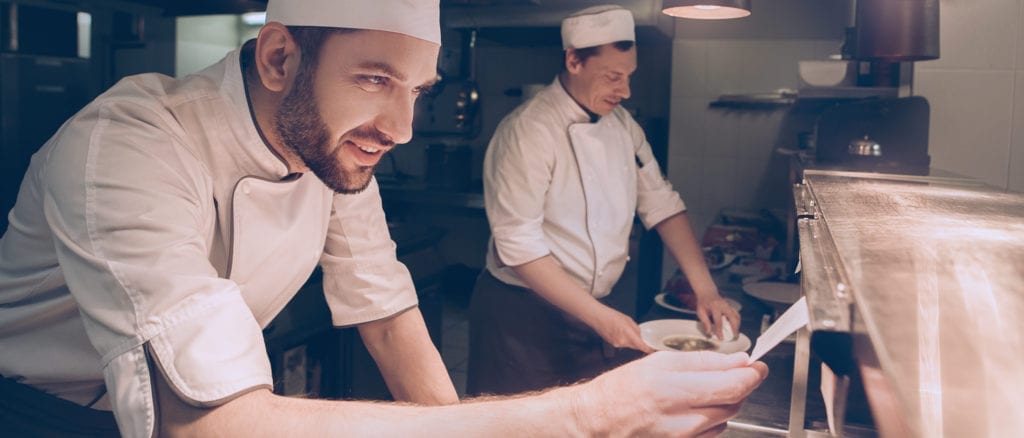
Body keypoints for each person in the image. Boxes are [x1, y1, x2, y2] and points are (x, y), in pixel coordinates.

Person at [0, 1, 766, 436]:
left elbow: (388, 311)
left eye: (418, 91)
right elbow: (215, 423)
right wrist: (588, 415)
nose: (398, 128)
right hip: (44, 410)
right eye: (373, 79)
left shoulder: (334, 156)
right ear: (278, 59)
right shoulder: (130, 142)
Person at [468, 5, 742, 396]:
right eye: (613, 76)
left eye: (629, 77)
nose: (625, 91)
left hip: (591, 312)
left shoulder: (623, 125)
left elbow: (662, 205)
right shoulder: (529, 131)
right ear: (574, 60)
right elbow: (519, 247)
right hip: (523, 316)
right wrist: (601, 317)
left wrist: (707, 291)